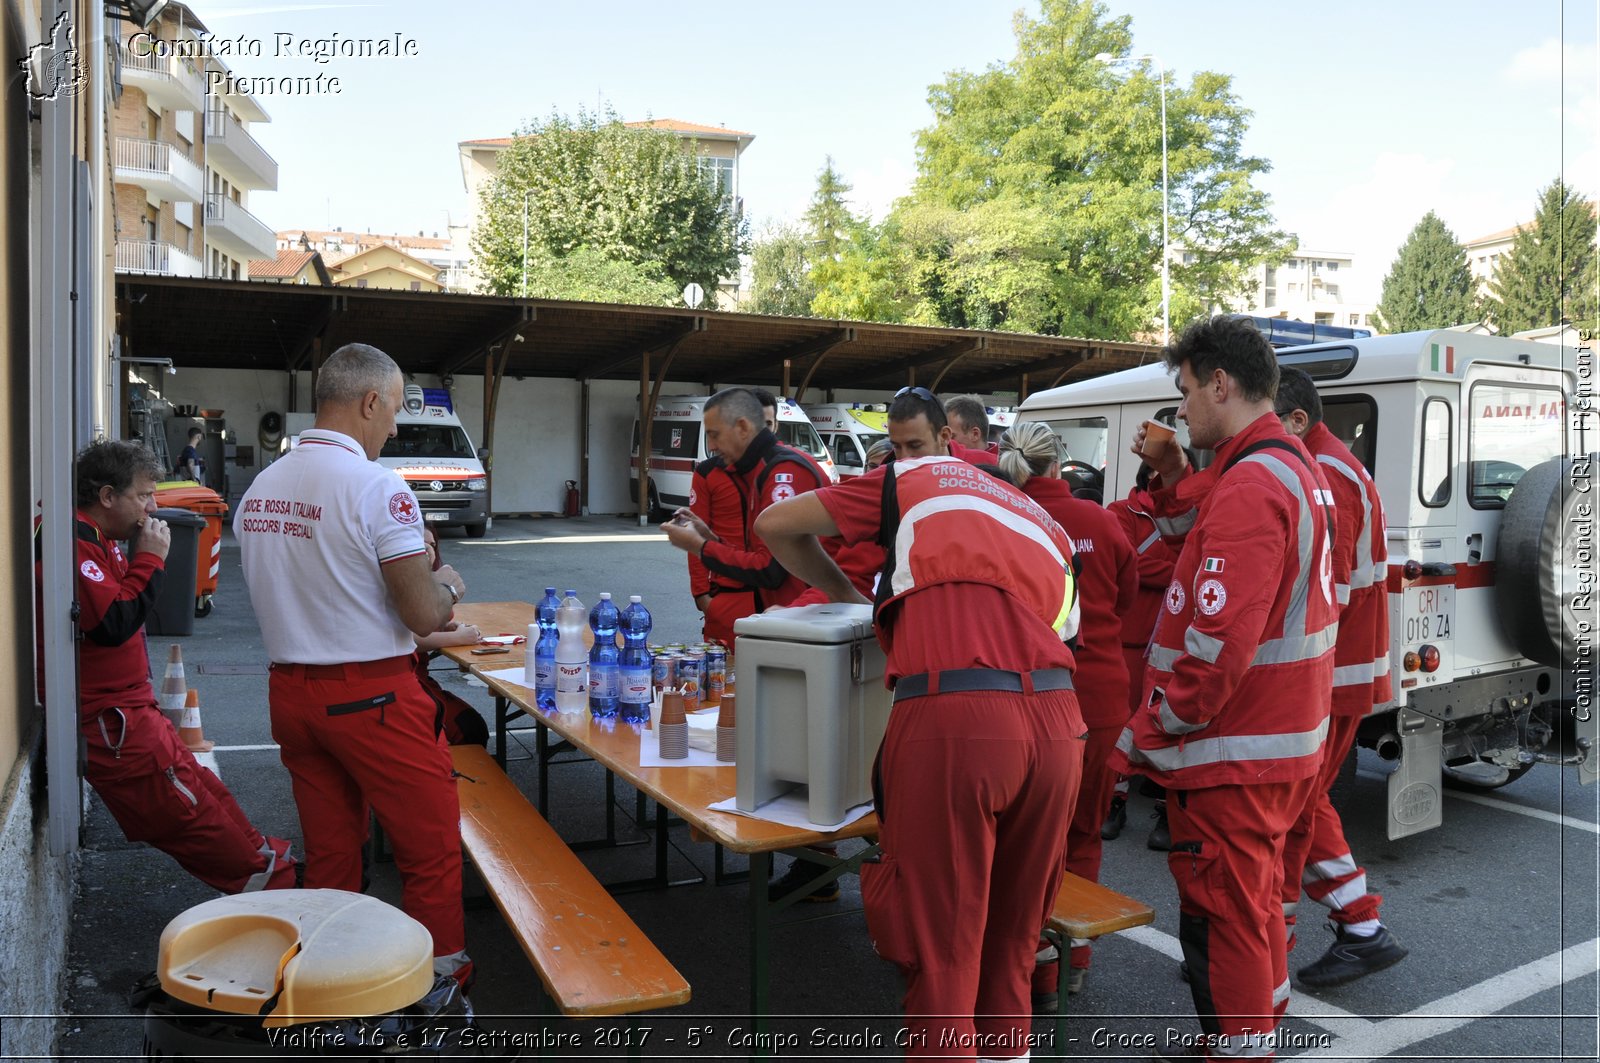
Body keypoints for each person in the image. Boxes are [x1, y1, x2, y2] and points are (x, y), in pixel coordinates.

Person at [756, 385, 1083, 1061]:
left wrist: (854, 598)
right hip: (1057, 724)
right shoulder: (1036, 515)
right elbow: (1062, 630)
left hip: (957, 719)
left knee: (942, 950)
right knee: (1012, 945)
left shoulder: (906, 479)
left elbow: (776, 524)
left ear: (943, 441)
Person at [1109, 315, 1337, 1062]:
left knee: (1230, 917)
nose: (1180, 410)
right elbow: (1190, 524)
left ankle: (1241, 1050)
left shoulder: (1251, 483)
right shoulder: (1286, 465)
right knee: (1257, 908)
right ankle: (1254, 1038)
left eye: (1183, 393)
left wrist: (1154, 726)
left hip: (1235, 750)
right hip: (1279, 741)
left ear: (1219, 382)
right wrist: (1175, 470)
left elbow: (1213, 649)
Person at [235, 343, 474, 990]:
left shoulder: (261, 487)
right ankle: (438, 991)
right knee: (430, 850)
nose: (395, 426)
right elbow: (424, 614)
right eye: (393, 410)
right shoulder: (377, 486)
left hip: (290, 693)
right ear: (370, 402)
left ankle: (328, 982)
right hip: (371, 699)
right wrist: (446, 583)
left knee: (333, 853)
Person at [50, 440, 296, 893]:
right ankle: (274, 892)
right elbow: (113, 622)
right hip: (114, 723)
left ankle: (268, 861)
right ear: (107, 496)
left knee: (203, 789)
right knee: (190, 815)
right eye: (144, 495)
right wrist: (151, 559)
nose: (153, 506)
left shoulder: (99, 538)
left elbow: (123, 601)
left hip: (132, 709)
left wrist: (141, 560)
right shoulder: (73, 544)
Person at [1272, 368, 1407, 987]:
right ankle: (1344, 928)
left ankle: (1287, 937)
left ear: (1296, 420)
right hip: (1339, 671)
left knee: (1296, 809)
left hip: (1330, 675)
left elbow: (1327, 591)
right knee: (1304, 805)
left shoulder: (1323, 472)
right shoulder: (1329, 463)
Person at [998, 421, 1136, 1006]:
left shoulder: (1003, 520)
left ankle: (1029, 969)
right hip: (1101, 696)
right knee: (1082, 836)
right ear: (1062, 464)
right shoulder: (1101, 521)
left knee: (1022, 841)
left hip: (1029, 698)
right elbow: (1125, 596)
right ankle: (1071, 960)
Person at [663, 387, 829, 611]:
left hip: (809, 611)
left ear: (742, 427)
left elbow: (770, 570)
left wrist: (700, 547)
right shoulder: (756, 469)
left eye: (715, 434)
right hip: (786, 610)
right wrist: (709, 538)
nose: (711, 446)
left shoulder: (783, 471)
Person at [1103, 455, 1189, 849]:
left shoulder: (1191, 512)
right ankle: (1113, 802)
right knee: (1120, 727)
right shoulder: (1119, 513)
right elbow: (1130, 564)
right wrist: (1180, 569)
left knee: (1166, 726)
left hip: (1173, 641)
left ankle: (1166, 810)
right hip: (1129, 637)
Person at [685, 390, 779, 644]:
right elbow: (694, 534)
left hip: (777, 598)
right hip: (728, 596)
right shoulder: (708, 473)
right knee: (722, 677)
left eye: (768, 425)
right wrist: (702, 596)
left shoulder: (783, 471)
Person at [413, 527, 488, 748]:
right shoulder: (404, 585)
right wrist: (459, 638)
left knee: (472, 725)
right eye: (420, 543)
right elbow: (407, 638)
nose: (427, 549)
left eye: (432, 544)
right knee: (468, 729)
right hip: (408, 684)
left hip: (420, 680)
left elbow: (423, 626)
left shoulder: (430, 581)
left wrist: (445, 628)